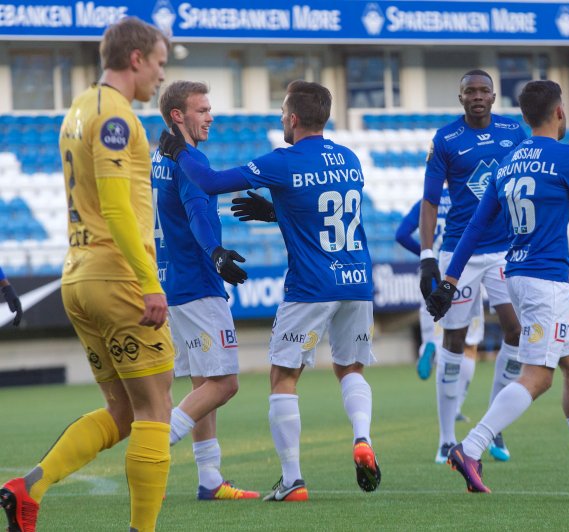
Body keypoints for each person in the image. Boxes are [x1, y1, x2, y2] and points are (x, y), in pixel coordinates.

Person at [158, 80, 381, 502]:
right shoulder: (350, 159)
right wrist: (277, 211)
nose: (280, 120)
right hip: (358, 280)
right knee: (351, 369)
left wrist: (179, 151)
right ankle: (362, 437)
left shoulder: (282, 161)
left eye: (282, 114)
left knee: (283, 377)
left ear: (293, 119)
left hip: (311, 285)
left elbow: (209, 182)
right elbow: (322, 207)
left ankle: (292, 480)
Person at [426, 80, 569, 493]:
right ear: (559, 112)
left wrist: (450, 281)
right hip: (545, 281)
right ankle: (470, 448)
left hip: (518, 275)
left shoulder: (507, 162)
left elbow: (473, 228)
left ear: (525, 117)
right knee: (539, 377)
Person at [1, 17, 173, 532]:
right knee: (156, 408)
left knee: (122, 410)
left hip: (79, 275)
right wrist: (149, 282)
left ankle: (28, 488)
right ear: (136, 59)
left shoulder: (77, 109)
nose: (161, 76)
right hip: (117, 277)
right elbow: (117, 209)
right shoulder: (116, 117)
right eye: (159, 63)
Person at [151, 81, 261, 501]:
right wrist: (215, 252)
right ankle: (155, 446)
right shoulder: (191, 160)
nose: (210, 117)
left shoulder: (158, 158)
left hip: (172, 283)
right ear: (178, 115)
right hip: (198, 285)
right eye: (202, 110)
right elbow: (198, 212)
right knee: (225, 383)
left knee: (204, 383)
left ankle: (210, 478)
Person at [419, 70, 527, 464]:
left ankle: (493, 425)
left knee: (516, 330)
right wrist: (427, 255)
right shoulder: (446, 139)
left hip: (504, 251)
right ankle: (447, 438)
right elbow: (430, 201)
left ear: (494, 96)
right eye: (470, 91)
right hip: (460, 253)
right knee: (454, 339)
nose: (477, 96)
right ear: (460, 97)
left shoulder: (514, 132)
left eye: (484, 90)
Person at [395, 194, 484, 423]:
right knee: (468, 345)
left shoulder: (428, 201)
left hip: (432, 275)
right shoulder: (467, 198)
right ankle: (455, 408)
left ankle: (429, 346)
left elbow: (401, 234)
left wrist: (428, 257)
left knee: (440, 336)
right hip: (463, 274)